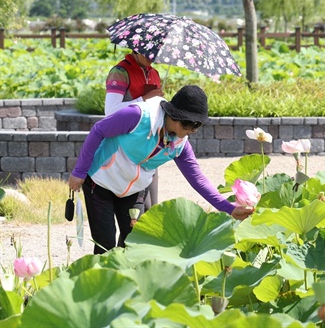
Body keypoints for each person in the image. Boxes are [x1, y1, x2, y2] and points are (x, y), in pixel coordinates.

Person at [68, 85, 254, 254]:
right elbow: (98, 130)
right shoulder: (137, 116)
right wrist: (79, 172)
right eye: (194, 125)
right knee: (105, 244)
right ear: (179, 118)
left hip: (134, 190)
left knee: (135, 243)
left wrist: (229, 209)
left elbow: (198, 179)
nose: (194, 130)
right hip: (100, 183)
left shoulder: (181, 144)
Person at [105, 51, 163, 211]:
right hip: (125, 151)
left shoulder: (154, 73)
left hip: (149, 148)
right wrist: (143, 100)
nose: (153, 57)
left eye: (156, 53)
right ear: (137, 48)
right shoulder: (120, 72)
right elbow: (110, 112)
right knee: (134, 214)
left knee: (152, 210)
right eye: (150, 53)